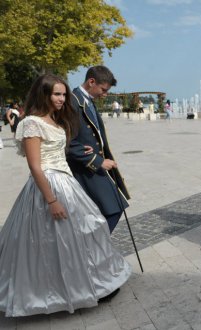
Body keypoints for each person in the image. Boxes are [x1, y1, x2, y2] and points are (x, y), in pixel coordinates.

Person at [0, 74, 131, 317]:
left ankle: (87, 284)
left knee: (81, 235)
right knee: (50, 242)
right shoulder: (32, 123)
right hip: (48, 186)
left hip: (67, 183)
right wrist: (51, 200)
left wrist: (84, 149)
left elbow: (65, 151)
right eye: (56, 94)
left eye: (63, 94)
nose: (62, 99)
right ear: (44, 95)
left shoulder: (55, 121)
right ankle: (51, 293)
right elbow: (35, 166)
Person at [67, 66, 130, 234]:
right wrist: (98, 161)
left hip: (95, 165)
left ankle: (93, 248)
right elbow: (66, 141)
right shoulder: (72, 102)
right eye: (103, 89)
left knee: (109, 208)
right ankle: (93, 248)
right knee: (113, 209)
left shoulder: (87, 100)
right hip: (84, 167)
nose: (105, 94)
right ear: (91, 82)